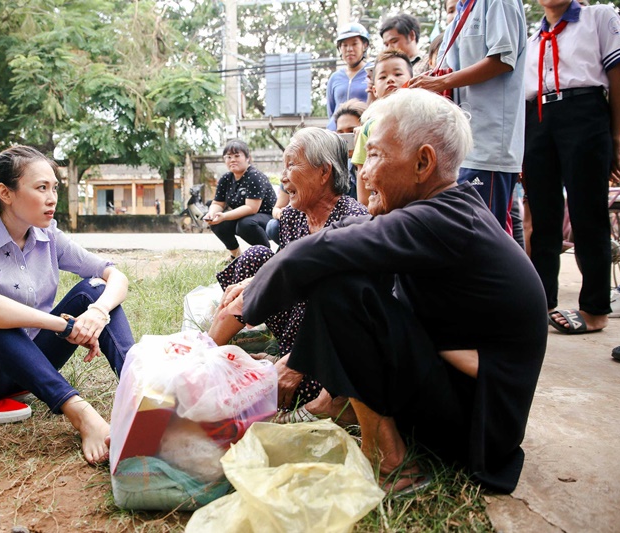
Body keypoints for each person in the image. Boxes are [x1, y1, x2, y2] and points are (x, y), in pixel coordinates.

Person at [225, 89, 547, 494]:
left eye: (375, 155)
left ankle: (393, 463)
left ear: (423, 162)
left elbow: (316, 252)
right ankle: (337, 405)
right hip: (456, 391)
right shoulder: (442, 211)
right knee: (348, 271)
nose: (361, 170)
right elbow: (344, 236)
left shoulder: (444, 220)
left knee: (340, 287)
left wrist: (246, 309)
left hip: (477, 428)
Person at [0, 145, 135, 464]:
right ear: (6, 192)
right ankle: (81, 414)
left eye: (54, 188)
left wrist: (96, 314)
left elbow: (114, 276)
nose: (52, 197)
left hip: (26, 365)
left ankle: (140, 390)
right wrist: (64, 325)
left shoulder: (48, 235)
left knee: (95, 290)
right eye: (41, 187)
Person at [209, 127, 367, 424]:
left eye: (292, 165)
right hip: (295, 326)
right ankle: (213, 354)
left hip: (326, 342)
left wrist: (297, 362)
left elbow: (340, 305)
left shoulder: (352, 222)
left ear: (324, 173)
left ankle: (294, 372)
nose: (283, 177)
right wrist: (248, 284)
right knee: (258, 258)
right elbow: (282, 264)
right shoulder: (294, 215)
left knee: (313, 293)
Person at [523, 0, 620, 335]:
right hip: (537, 117)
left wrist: (616, 134)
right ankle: (541, 303)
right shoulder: (532, 36)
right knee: (542, 216)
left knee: (587, 212)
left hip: (584, 111)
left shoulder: (598, 17)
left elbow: (618, 74)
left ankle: (594, 309)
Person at [409, 0, 528, 234]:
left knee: (485, 238)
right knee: (467, 235)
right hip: (462, 146)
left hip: (488, 145)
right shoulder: (462, 10)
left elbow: (503, 59)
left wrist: (440, 82)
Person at [352, 50, 414, 206]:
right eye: (383, 77)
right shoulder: (367, 127)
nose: (390, 80)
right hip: (381, 205)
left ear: (413, 81)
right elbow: (362, 170)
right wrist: (366, 206)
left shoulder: (422, 121)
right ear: (374, 90)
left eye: (398, 74)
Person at [204, 140, 276, 258]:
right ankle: (236, 257)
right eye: (229, 157)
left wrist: (224, 216)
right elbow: (218, 203)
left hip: (267, 217)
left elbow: (251, 208)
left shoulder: (254, 176)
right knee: (218, 224)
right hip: (245, 217)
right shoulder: (226, 178)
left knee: (245, 224)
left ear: (247, 158)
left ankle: (267, 257)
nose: (232, 160)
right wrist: (212, 214)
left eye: (237, 156)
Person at [326, 23, 371, 131]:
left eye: (354, 44)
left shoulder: (373, 71)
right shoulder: (335, 78)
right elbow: (331, 112)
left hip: (363, 134)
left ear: (364, 46)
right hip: (338, 136)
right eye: (344, 45)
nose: (349, 49)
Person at [333, 98, 367, 200]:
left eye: (351, 131)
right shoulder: (336, 171)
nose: (345, 139)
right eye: (340, 133)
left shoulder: (378, 166)